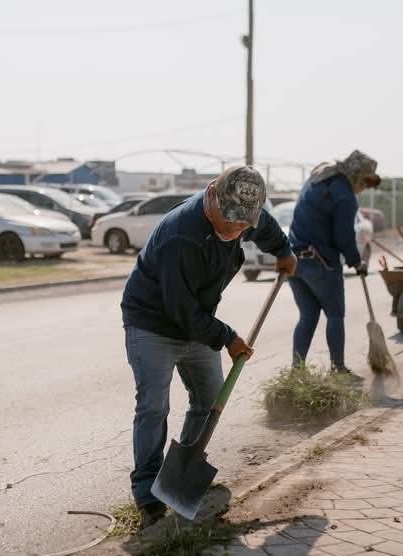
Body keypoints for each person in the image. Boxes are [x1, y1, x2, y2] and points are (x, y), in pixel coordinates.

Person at [120, 166, 297, 526]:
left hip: (195, 320)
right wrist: (228, 338)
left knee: (209, 397)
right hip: (153, 322)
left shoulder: (245, 211)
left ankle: (178, 474)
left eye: (242, 223)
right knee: (154, 404)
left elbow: (266, 229)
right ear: (212, 194)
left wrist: (284, 252)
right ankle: (146, 492)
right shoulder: (180, 237)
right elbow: (180, 310)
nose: (235, 228)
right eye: (230, 219)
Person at [287, 150, 381, 374]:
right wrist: (357, 262)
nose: (365, 187)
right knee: (335, 314)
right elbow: (343, 237)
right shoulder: (344, 196)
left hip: (294, 260)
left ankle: (297, 371)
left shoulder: (320, 177)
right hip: (321, 263)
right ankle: (338, 369)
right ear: (356, 174)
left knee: (308, 316)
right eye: (365, 181)